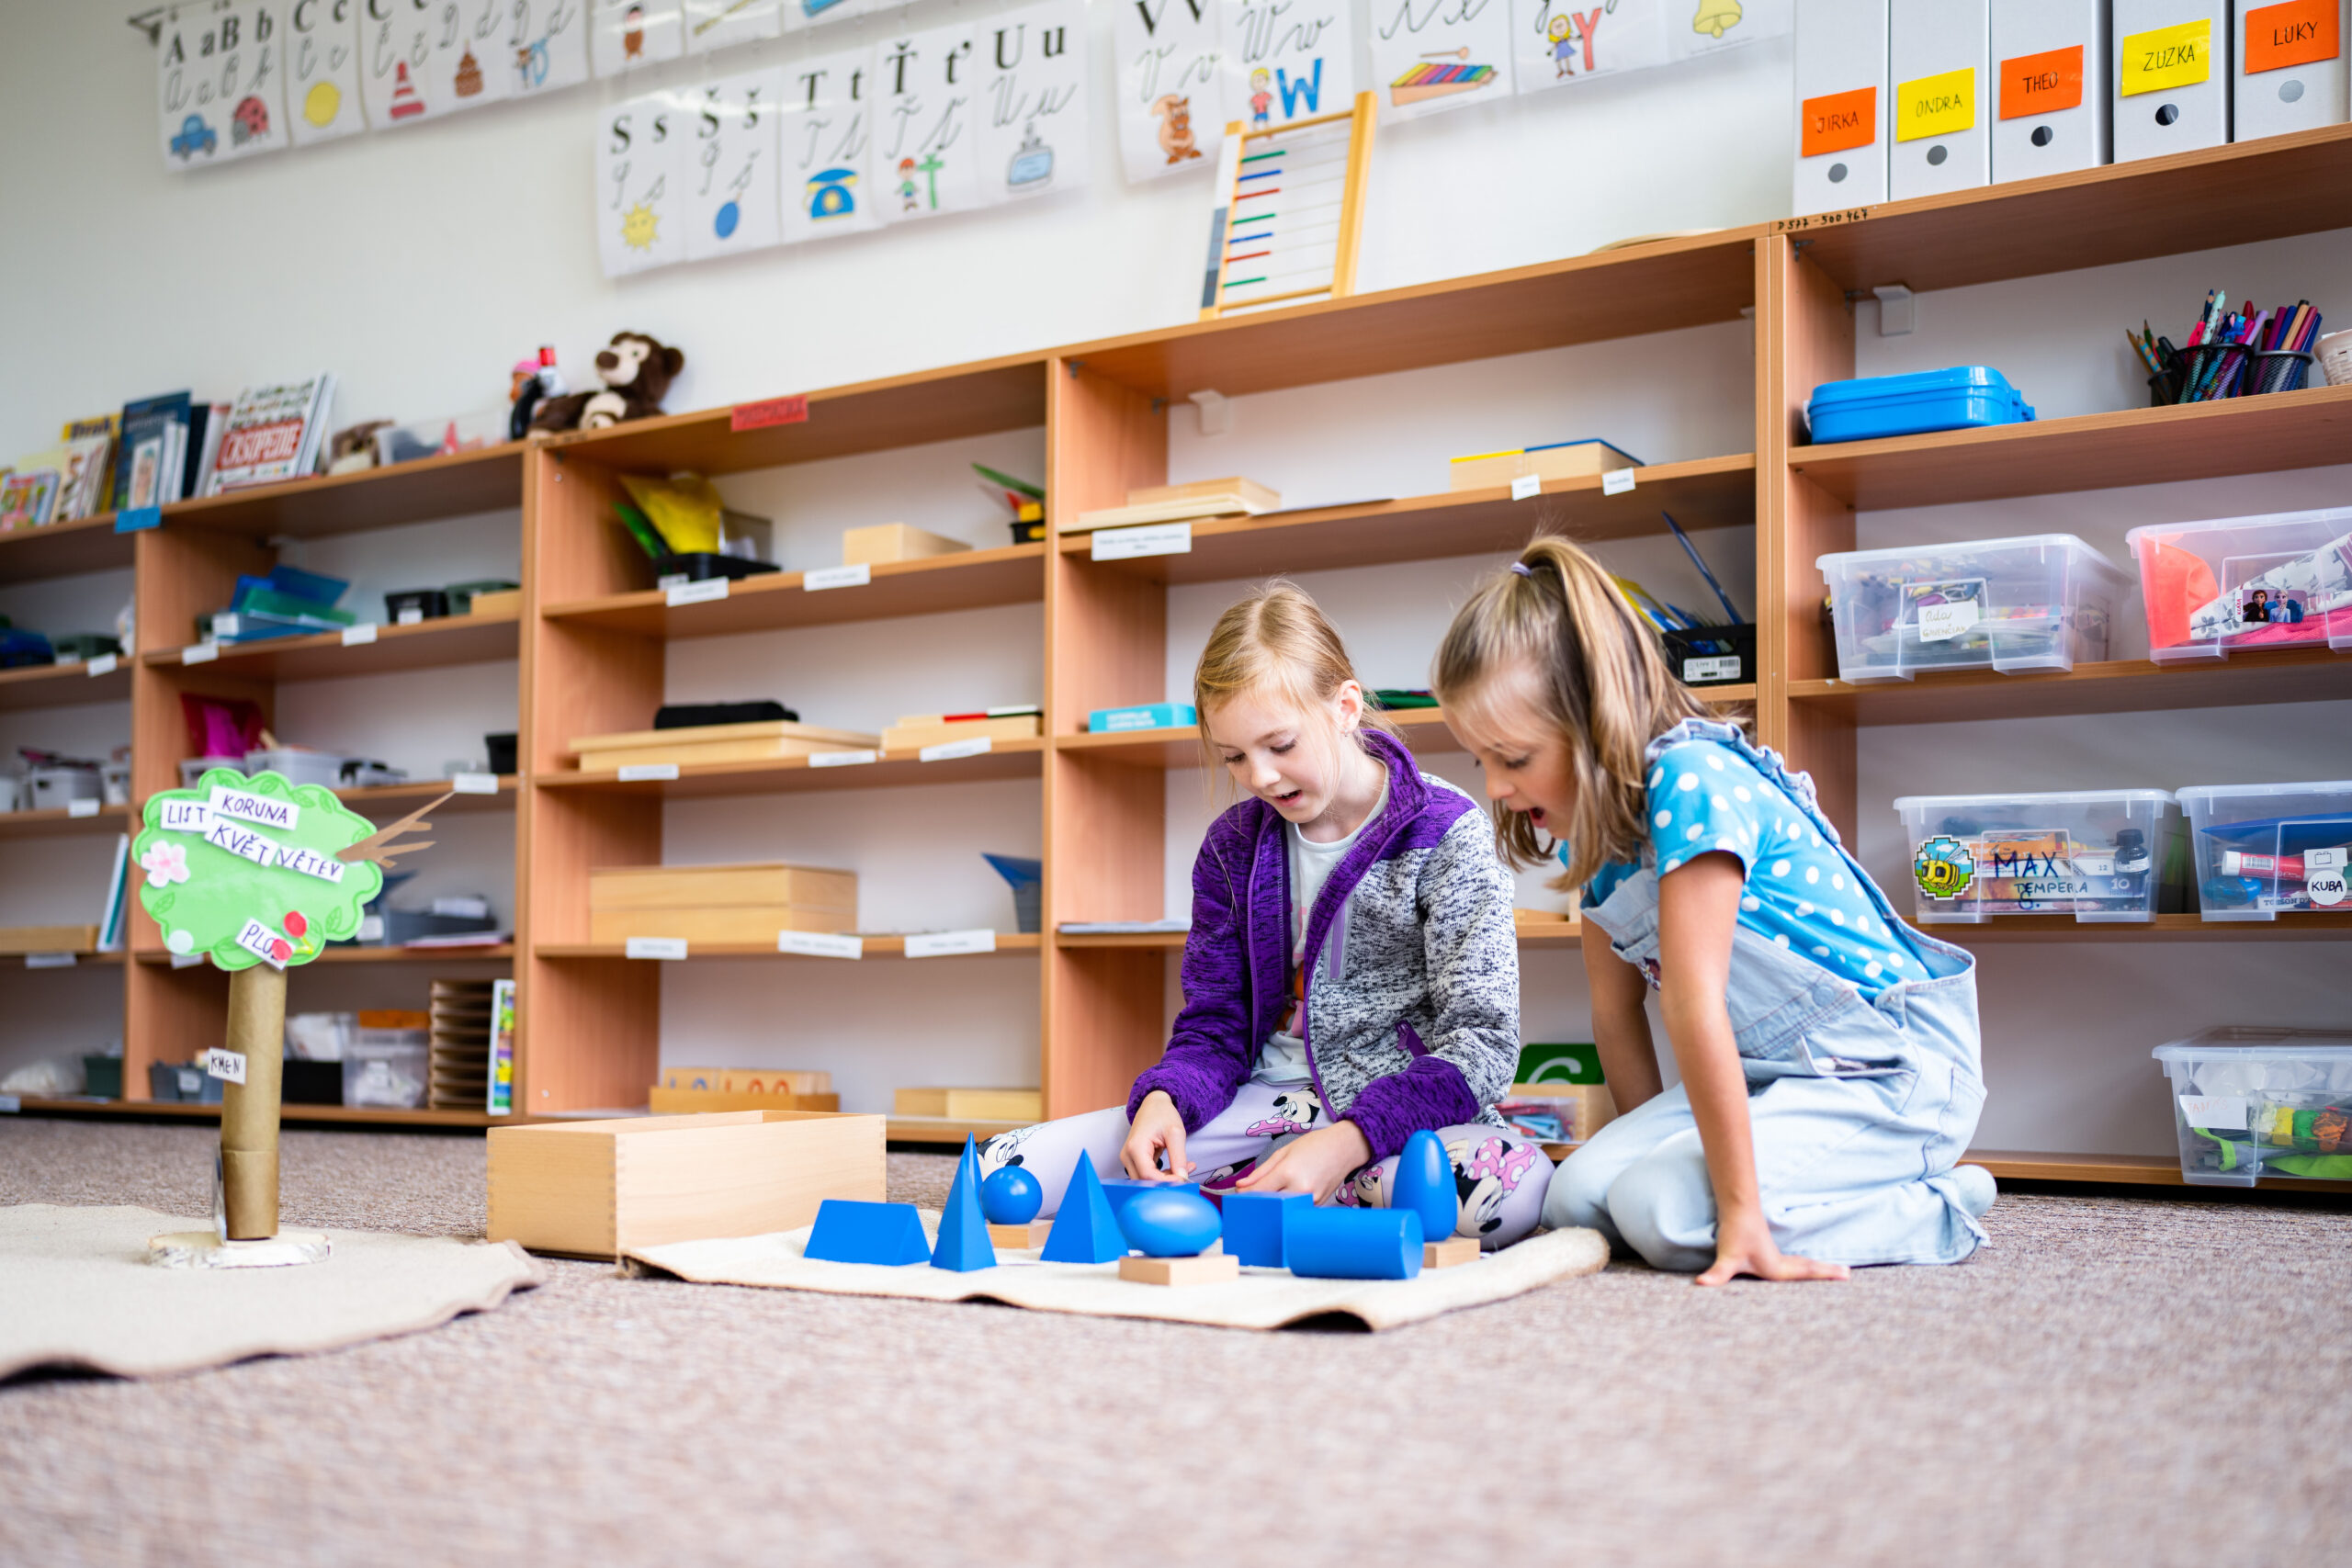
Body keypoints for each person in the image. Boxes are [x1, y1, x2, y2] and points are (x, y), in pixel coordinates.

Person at [1431, 537, 1993, 1284]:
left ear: (1595, 716)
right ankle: (1751, 1194)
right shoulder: (1599, 843)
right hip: (1772, 1078)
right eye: (1483, 761)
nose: (1496, 788)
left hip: (1892, 1071)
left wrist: (1733, 1210)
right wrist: (1634, 1158)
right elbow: (1615, 1012)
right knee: (1576, 1197)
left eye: (1514, 757)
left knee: (1663, 1214)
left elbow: (1694, 1005)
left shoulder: (1693, 779)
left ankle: (1937, 1202)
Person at [978, 583, 1550, 1247]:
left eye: (1280, 745)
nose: (1261, 777)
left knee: (1506, 1191)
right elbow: (1213, 1026)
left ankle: (1275, 1190)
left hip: (1393, 1123)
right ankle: (1286, 1197)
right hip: (1258, 1106)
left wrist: (1349, 1140)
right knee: (1000, 1169)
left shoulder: (1447, 832)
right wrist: (1165, 1100)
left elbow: (1482, 1042)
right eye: (1234, 757)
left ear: (1345, 708)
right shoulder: (1231, 848)